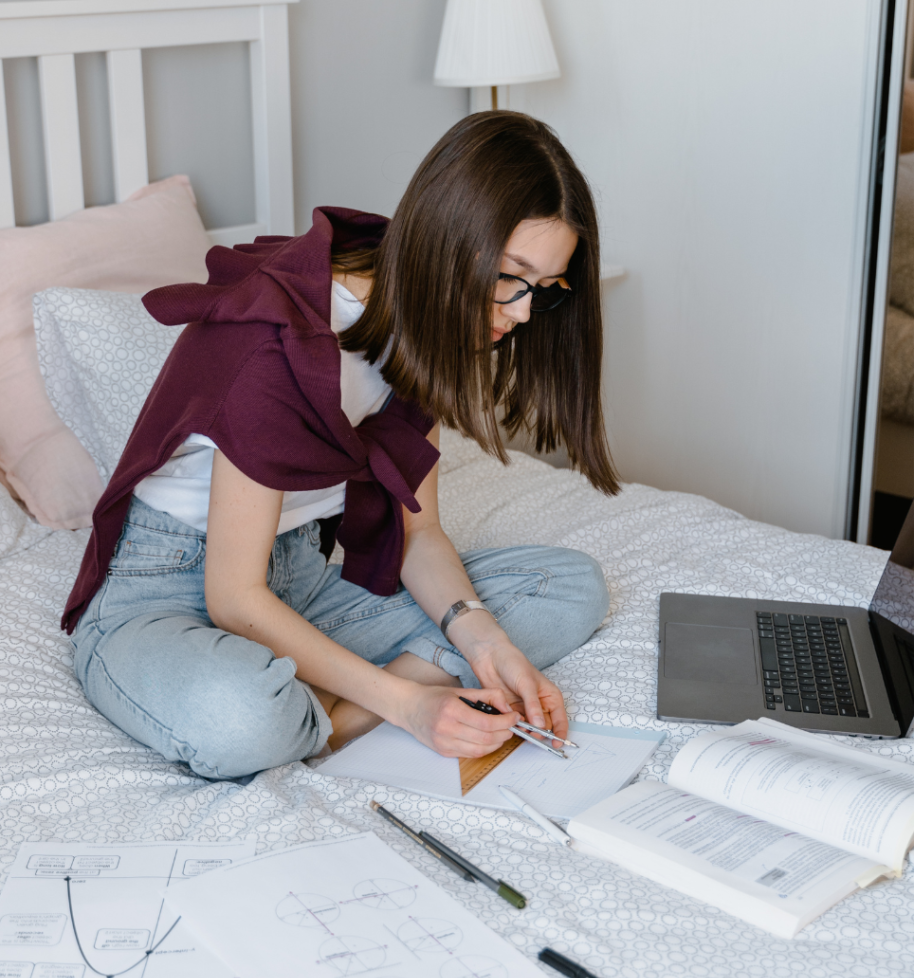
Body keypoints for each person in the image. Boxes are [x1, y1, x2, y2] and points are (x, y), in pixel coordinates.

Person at [62, 111, 619, 782]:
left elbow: (421, 535)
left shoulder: (426, 320)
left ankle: (331, 705)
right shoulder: (283, 342)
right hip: (165, 596)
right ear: (449, 237)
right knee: (242, 719)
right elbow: (233, 599)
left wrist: (483, 638)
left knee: (566, 588)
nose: (525, 312)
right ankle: (355, 710)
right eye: (513, 276)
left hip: (301, 583)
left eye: (546, 289)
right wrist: (409, 705)